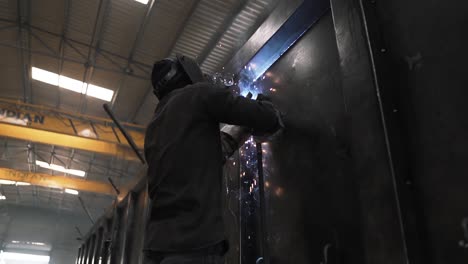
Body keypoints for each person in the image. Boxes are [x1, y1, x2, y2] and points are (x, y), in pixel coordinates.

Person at [143, 55, 282, 264]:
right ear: (187, 72)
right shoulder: (197, 94)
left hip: (156, 247)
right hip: (193, 242)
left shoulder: (155, 124)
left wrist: (236, 135)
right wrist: (265, 107)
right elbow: (266, 118)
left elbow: (193, 161)